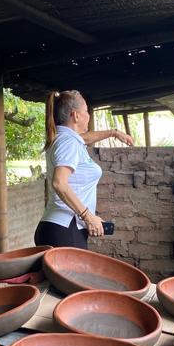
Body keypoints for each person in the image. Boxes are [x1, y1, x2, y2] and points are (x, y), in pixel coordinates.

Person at [34, 90, 133, 248]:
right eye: (86, 111)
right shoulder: (68, 143)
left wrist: (113, 133)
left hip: (60, 228)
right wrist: (88, 216)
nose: (89, 115)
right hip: (66, 230)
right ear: (76, 115)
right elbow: (59, 183)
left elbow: (84, 139)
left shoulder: (64, 138)